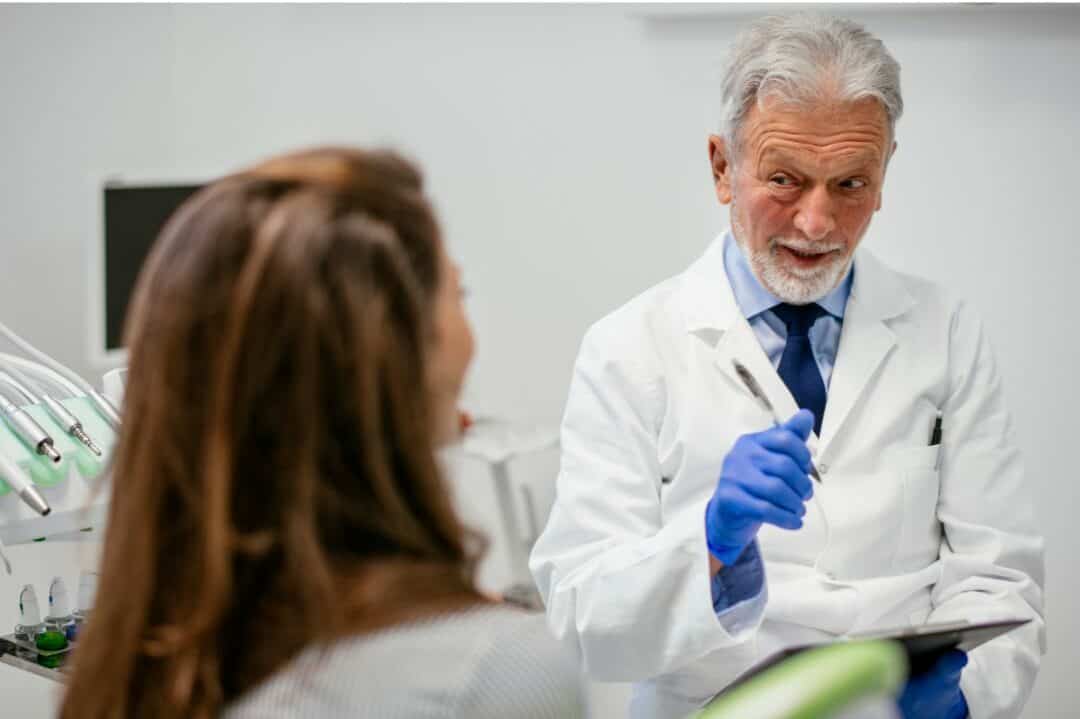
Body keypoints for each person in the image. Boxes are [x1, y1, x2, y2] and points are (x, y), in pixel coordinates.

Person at [530, 14, 1044, 719]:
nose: (816, 222)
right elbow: (582, 618)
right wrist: (711, 542)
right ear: (721, 167)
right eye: (784, 178)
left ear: (885, 172)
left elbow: (1001, 579)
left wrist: (962, 702)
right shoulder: (629, 347)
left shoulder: (945, 331)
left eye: (851, 184)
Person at [59, 147, 585, 719]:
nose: (470, 336)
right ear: (391, 357)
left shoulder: (135, 665)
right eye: (457, 293)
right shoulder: (497, 671)